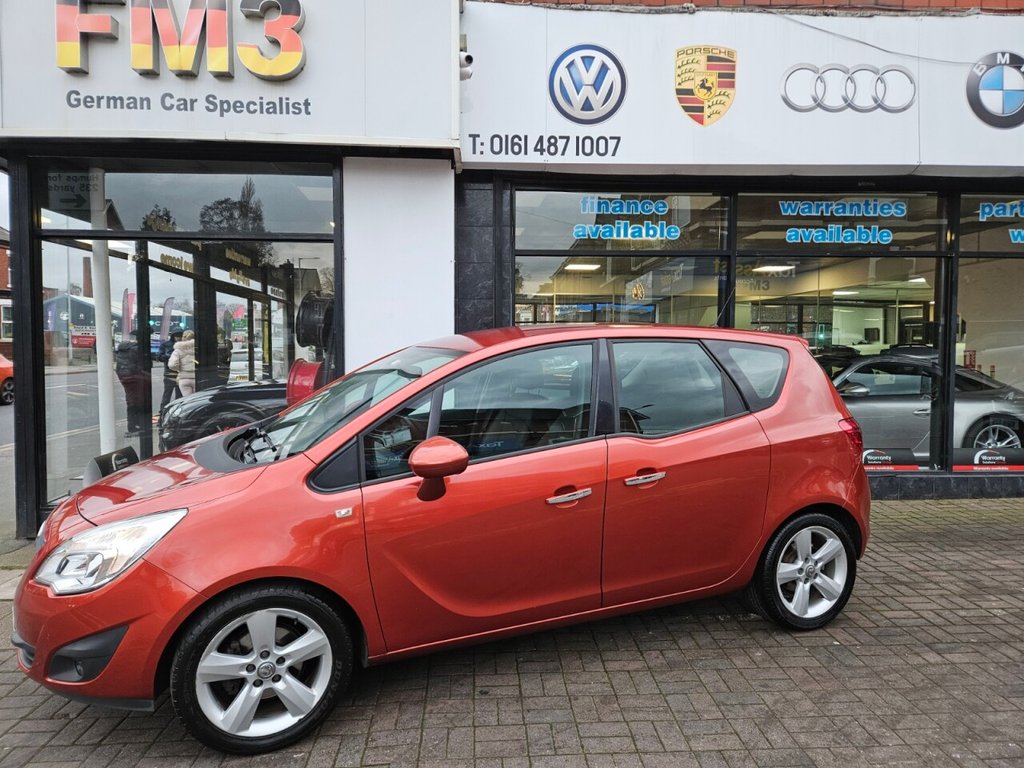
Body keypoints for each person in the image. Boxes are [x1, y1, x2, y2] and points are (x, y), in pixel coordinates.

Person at [114, 330, 147, 435]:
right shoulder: (138, 349)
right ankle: (137, 426)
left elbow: (119, 366)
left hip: (125, 377)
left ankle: (133, 426)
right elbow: (141, 366)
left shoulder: (124, 349)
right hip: (135, 378)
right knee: (138, 402)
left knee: (131, 401)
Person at [157, 326, 184, 416]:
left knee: (179, 397)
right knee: (166, 396)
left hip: (181, 374)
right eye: (176, 336)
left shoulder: (184, 345)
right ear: (173, 336)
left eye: (180, 336)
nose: (178, 338)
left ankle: (176, 414)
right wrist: (170, 356)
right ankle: (162, 413)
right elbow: (159, 357)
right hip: (169, 374)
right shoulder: (166, 345)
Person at [169, 330, 197, 397]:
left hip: (184, 378)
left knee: (188, 401)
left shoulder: (178, 350)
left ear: (183, 337)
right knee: (197, 401)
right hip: (197, 378)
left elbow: (172, 365)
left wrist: (179, 368)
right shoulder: (199, 348)